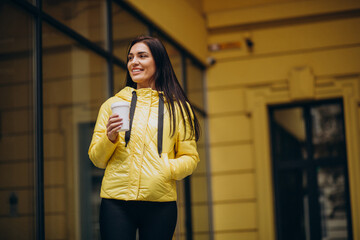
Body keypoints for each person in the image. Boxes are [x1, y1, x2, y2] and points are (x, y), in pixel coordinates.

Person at [88, 36, 200, 240]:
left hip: (160, 204)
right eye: (130, 57)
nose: (134, 62)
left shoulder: (178, 109)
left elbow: (190, 158)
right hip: (115, 202)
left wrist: (165, 168)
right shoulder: (112, 105)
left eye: (142, 56)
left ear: (158, 61)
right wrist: (110, 138)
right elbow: (97, 159)